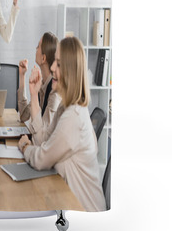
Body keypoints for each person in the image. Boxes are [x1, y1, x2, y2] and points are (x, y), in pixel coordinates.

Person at [18, 36, 106, 212]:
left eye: (58, 64)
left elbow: (41, 158)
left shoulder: (73, 117)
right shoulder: (65, 108)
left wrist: (25, 147)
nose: (51, 68)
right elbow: (43, 139)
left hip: (86, 215)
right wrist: (34, 95)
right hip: (67, 203)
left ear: (70, 71)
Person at [17, 32, 61, 134]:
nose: (36, 49)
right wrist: (22, 75)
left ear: (43, 58)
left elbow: (43, 135)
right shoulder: (42, 84)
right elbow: (24, 115)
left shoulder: (54, 92)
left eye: (38, 47)